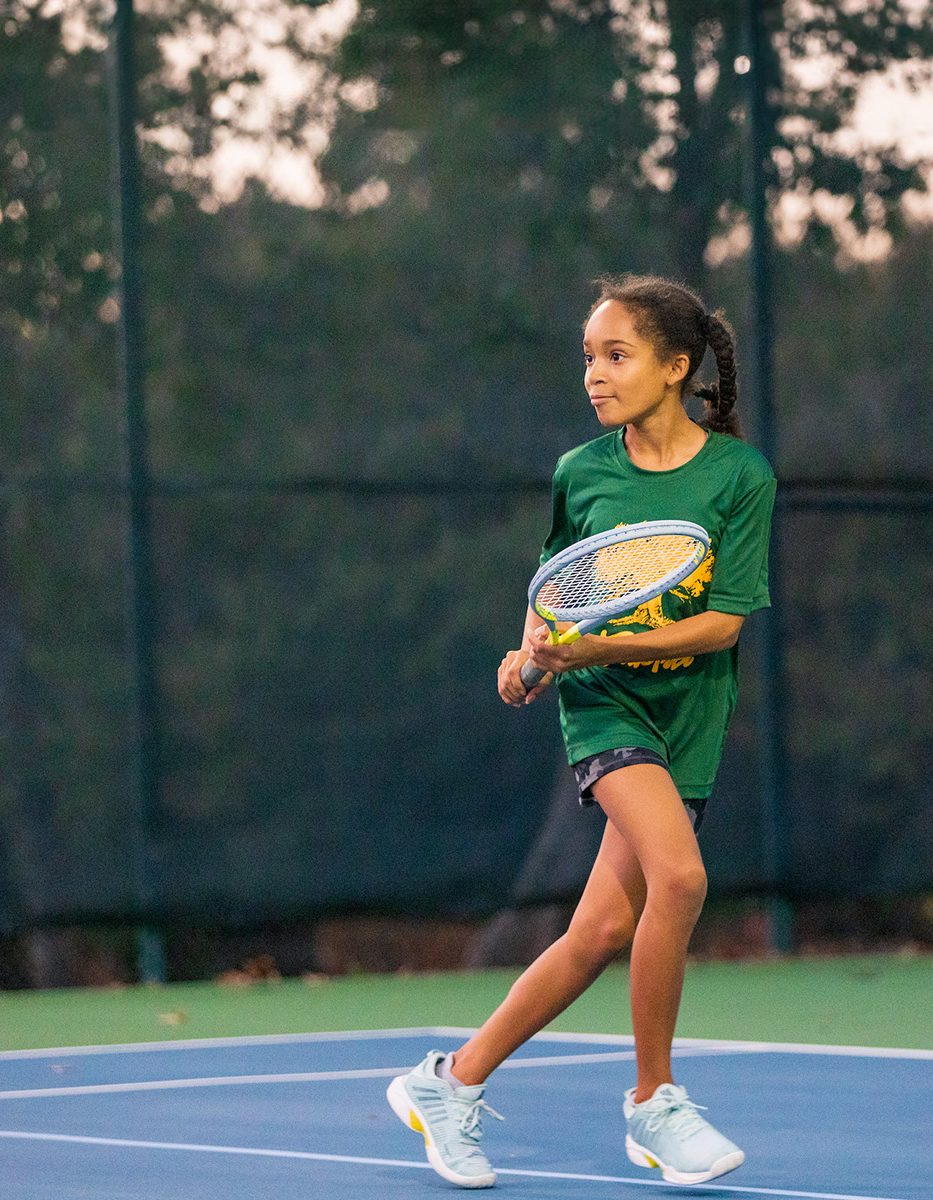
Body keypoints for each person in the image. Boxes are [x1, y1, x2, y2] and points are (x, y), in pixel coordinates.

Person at [386, 275, 775, 1189]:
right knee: (682, 877)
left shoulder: (740, 477)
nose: (595, 374)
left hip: (691, 717)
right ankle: (654, 1101)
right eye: (589, 358)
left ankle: (449, 1081)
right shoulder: (581, 472)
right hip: (606, 707)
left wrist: (595, 643)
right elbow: (558, 582)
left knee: (599, 931)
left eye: (617, 355)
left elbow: (723, 624)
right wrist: (531, 653)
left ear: (676, 367)